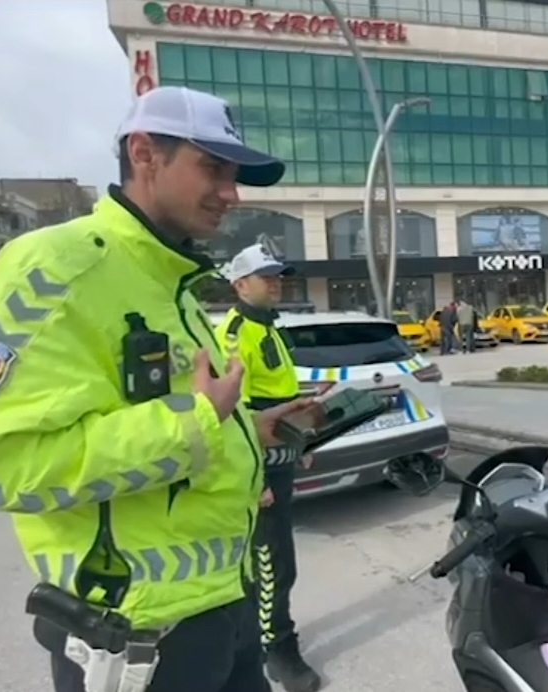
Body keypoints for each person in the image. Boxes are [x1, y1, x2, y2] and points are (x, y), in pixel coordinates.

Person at [0, 85, 315, 692]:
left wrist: (249, 431)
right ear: (144, 153)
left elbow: (182, 420)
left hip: (224, 608)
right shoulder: (55, 267)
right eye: (212, 168)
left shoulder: (175, 286)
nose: (231, 194)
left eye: (235, 174)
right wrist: (192, 423)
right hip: (135, 640)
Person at [214, 243, 322, 692]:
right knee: (270, 564)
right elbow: (235, 413)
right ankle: (275, 647)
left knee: (278, 560)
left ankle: (263, 638)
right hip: (258, 468)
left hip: (279, 458)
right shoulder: (237, 333)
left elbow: (277, 398)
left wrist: (304, 439)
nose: (276, 282)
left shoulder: (268, 327)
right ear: (240, 285)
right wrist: (253, 476)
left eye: (279, 275)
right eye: (266, 276)